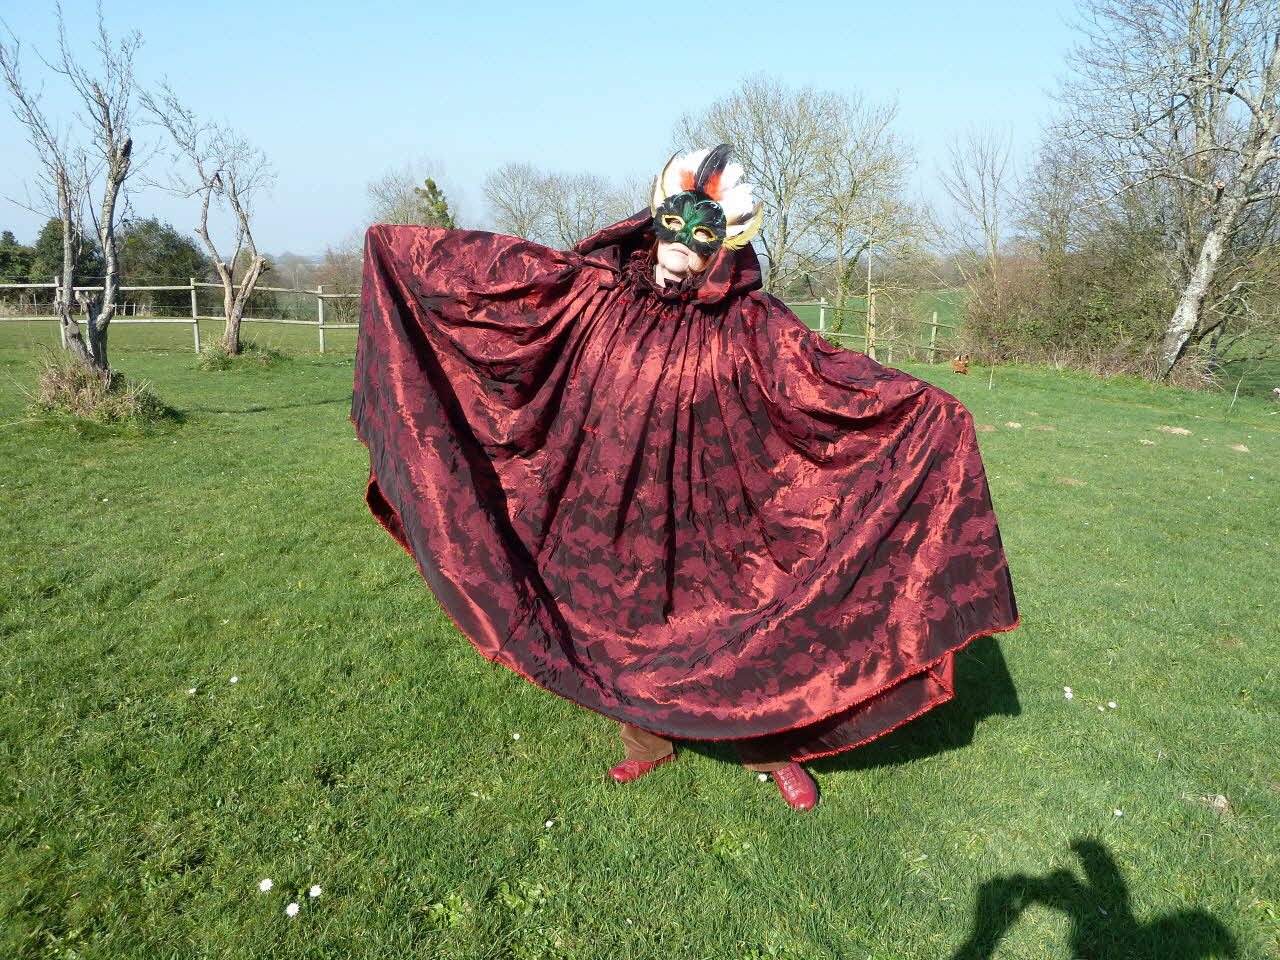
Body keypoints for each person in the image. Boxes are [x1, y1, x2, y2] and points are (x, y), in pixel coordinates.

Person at [350, 144, 1019, 814]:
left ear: (720, 250)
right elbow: (493, 287)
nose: (681, 248)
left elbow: (825, 380)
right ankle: (647, 743)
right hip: (604, 498)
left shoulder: (748, 325)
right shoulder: (590, 292)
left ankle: (765, 748)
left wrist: (930, 414)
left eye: (701, 239)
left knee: (735, 626)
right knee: (621, 625)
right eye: (673, 230)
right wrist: (396, 251)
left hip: (713, 508)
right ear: (652, 224)